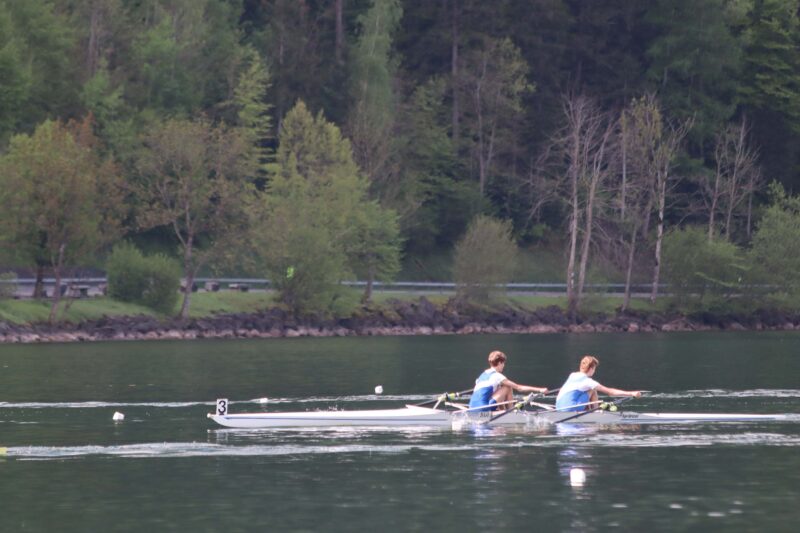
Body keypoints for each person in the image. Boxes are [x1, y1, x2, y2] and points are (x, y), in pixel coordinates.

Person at [468, 350, 548, 412]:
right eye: (503, 363)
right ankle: (511, 412)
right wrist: (540, 390)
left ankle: (504, 412)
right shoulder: (497, 376)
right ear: (500, 363)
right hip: (483, 409)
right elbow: (519, 388)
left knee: (499, 388)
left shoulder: (482, 375)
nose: (504, 366)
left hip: (471, 409)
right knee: (508, 387)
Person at [555, 355, 641, 412]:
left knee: (585, 391)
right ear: (591, 369)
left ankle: (587, 410)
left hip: (559, 408)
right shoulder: (588, 381)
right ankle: (596, 411)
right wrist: (631, 393)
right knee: (592, 390)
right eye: (595, 368)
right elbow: (610, 392)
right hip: (570, 409)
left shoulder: (572, 375)